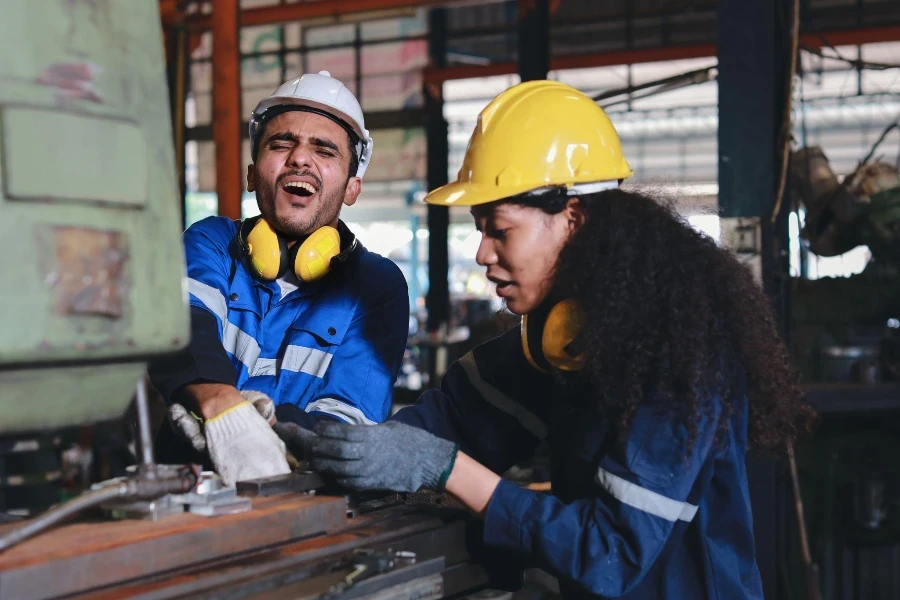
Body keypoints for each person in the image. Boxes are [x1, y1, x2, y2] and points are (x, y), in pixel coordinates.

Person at [280, 81, 816, 599]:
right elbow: (453, 420)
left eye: (500, 229)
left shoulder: (680, 353)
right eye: (479, 228)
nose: (483, 253)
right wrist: (317, 443)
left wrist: (444, 467)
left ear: (573, 218)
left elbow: (611, 555)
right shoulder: (559, 334)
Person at [148, 71, 410, 486]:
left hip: (301, 505)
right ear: (253, 175)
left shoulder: (377, 285)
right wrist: (219, 402)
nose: (300, 158)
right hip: (185, 497)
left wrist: (265, 431)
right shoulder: (213, 243)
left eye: (324, 150)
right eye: (281, 143)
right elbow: (183, 326)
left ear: (351, 188)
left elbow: (349, 418)